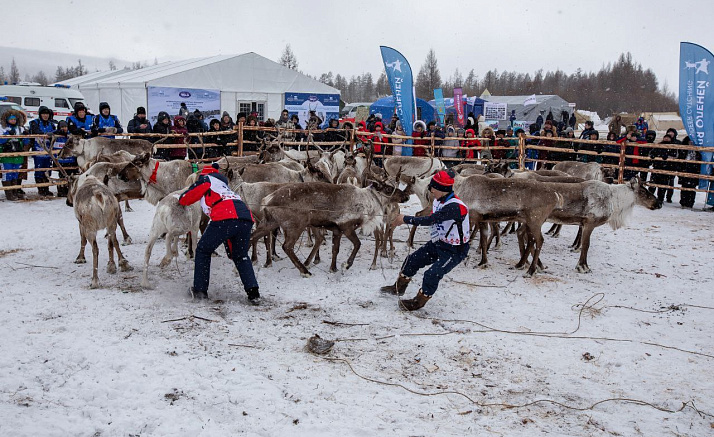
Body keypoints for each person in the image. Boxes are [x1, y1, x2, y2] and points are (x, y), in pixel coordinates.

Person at [381, 170, 470, 311]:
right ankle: (399, 287)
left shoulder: (455, 207)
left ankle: (418, 302)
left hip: (455, 250)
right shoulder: (438, 200)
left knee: (432, 274)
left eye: (433, 187)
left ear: (442, 189)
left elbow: (430, 220)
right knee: (412, 260)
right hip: (438, 242)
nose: (431, 190)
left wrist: (405, 219)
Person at [179, 163, 259, 302]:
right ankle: (253, 292)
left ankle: (200, 290)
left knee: (203, 250)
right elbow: (231, 230)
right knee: (240, 255)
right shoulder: (224, 186)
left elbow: (187, 198)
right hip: (245, 217)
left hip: (224, 215)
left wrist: (182, 197)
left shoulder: (207, 180)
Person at [0, 109, 30, 201]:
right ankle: (9, 193)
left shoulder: (20, 128)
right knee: (7, 173)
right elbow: (1, 141)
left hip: (17, 153)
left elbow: (26, 142)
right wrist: (8, 135)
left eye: (14, 119)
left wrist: (25, 136)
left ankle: (15, 191)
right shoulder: (2, 128)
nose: (13, 121)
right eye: (11, 119)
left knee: (15, 174)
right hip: (6, 154)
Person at [29, 106, 57, 197]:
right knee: (39, 170)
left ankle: (46, 188)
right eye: (43, 114)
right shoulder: (34, 122)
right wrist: (45, 135)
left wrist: (52, 134)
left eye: (47, 114)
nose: (45, 116)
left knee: (48, 169)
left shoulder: (51, 124)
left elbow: (55, 132)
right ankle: (41, 189)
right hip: (38, 150)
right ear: (40, 114)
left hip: (48, 150)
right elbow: (35, 131)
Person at [52, 120, 78, 197]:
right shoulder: (56, 135)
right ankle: (61, 190)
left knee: (71, 176)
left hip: (71, 159)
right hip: (61, 160)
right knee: (62, 176)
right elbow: (50, 134)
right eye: (62, 127)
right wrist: (58, 132)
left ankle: (70, 190)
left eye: (65, 127)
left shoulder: (70, 136)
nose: (64, 129)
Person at [678, 136, 700, 209]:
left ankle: (690, 203)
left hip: (694, 170)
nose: (691, 143)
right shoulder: (683, 150)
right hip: (685, 169)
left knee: (692, 188)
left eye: (692, 141)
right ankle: (683, 202)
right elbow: (680, 160)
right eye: (689, 141)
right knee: (684, 187)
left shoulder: (698, 151)